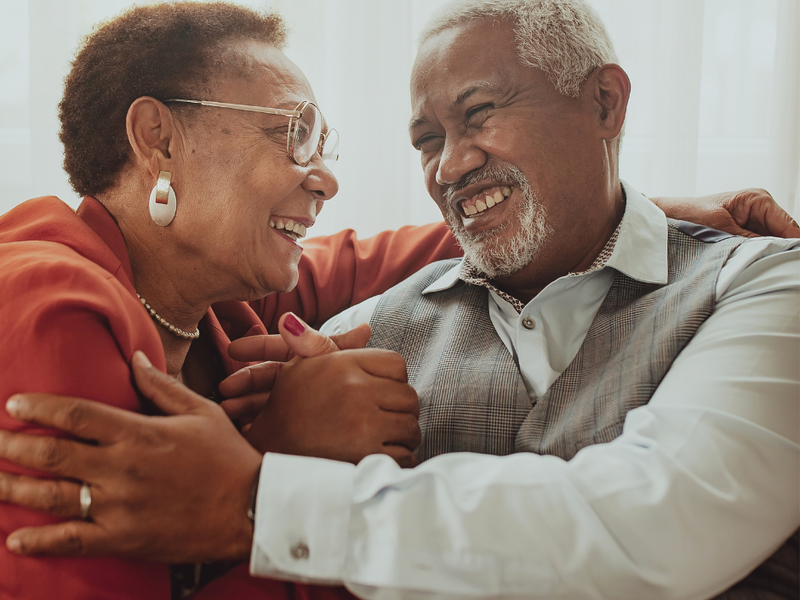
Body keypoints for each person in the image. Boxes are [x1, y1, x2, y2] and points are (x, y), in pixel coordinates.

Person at [0, 1, 798, 600]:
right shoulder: (58, 305)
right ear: (158, 138)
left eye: (479, 113)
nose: (446, 167)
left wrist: (631, 207)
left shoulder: (759, 286)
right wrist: (282, 460)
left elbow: (660, 529)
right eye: (294, 132)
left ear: (603, 107)